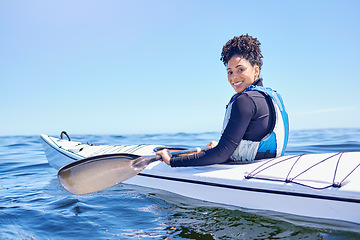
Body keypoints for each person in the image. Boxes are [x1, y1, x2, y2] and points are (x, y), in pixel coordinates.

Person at [157, 34, 289, 167]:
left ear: (256, 70)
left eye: (240, 70)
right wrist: (224, 147)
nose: (234, 78)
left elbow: (221, 154)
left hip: (245, 171)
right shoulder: (272, 97)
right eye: (230, 72)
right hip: (268, 166)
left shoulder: (245, 101)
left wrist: (172, 161)